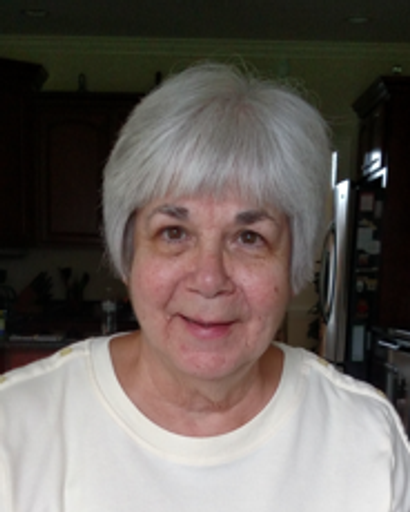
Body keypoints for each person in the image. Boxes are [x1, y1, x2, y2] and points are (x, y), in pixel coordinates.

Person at [1, 63, 409, 512]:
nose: (210, 279)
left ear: (293, 261)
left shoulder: (366, 439)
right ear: (127, 251)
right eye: (174, 232)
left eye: (249, 237)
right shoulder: (15, 429)